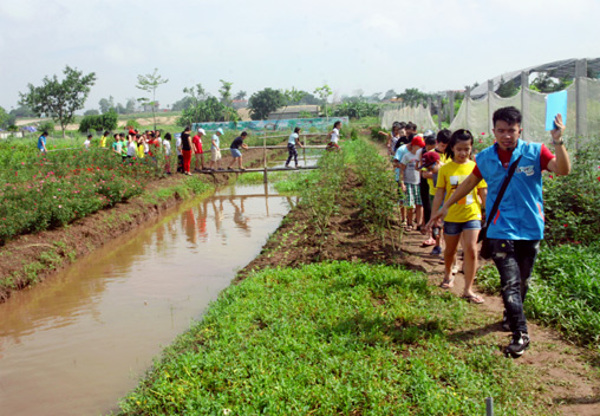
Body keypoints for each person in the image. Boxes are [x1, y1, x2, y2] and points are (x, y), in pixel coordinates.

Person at [428, 106, 571, 358]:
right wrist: (444, 207)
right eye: (501, 131)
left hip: (530, 228)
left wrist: (557, 141)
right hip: (500, 228)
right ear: (494, 131)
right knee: (510, 282)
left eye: (511, 131)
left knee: (522, 282)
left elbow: (562, 169)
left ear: (520, 130)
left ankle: (510, 316)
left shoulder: (535, 152)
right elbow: (469, 183)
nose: (506, 135)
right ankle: (521, 334)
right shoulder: (484, 158)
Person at [429, 129, 487, 305]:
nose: (463, 153)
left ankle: (468, 289)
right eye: (459, 149)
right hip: (452, 216)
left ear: (471, 149)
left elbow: (482, 191)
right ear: (452, 148)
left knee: (471, 249)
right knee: (450, 250)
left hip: (472, 214)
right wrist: (434, 215)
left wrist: (488, 211)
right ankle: (448, 273)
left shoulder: (476, 168)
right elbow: (439, 194)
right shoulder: (445, 169)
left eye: (467, 149)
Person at [395, 136, 426, 230]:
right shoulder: (406, 156)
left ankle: (419, 224)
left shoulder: (421, 156)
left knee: (419, 204)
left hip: (418, 183)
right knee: (410, 204)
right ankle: (409, 223)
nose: (421, 148)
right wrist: (402, 183)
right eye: (419, 146)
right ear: (414, 145)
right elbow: (401, 170)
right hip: (408, 182)